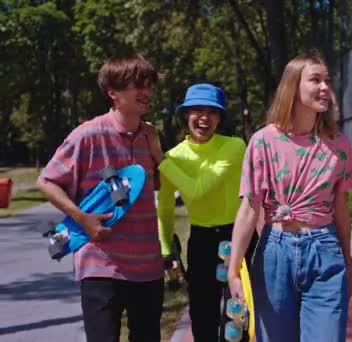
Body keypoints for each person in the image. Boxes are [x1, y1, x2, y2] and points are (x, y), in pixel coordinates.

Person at [226, 52, 352, 342]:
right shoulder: (263, 141)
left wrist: (348, 267)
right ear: (293, 86)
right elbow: (249, 208)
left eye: (327, 80)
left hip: (325, 251)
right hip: (274, 253)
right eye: (315, 80)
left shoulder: (338, 144)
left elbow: (340, 209)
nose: (325, 87)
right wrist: (234, 269)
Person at [37, 54, 164, 342]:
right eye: (137, 85)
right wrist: (83, 220)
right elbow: (46, 182)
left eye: (149, 85)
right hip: (100, 264)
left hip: (147, 266)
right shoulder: (87, 135)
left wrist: (159, 154)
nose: (146, 92)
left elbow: (158, 185)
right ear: (113, 93)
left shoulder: (150, 136)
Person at [156, 83, 255, 341]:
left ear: (220, 118)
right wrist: (167, 249)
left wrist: (161, 162)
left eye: (212, 112)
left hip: (240, 237)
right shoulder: (173, 158)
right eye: (196, 110)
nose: (203, 118)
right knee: (203, 318)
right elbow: (165, 207)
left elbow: (200, 191)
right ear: (185, 116)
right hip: (201, 240)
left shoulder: (234, 146)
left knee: (240, 317)